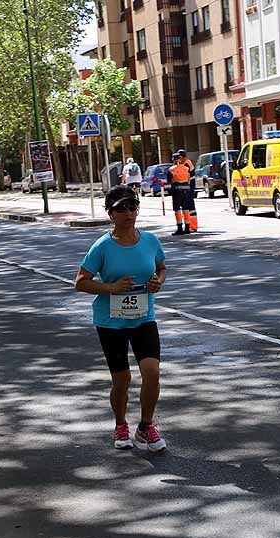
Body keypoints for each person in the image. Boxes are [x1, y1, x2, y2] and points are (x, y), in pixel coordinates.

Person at [75, 185, 168, 452]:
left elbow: (161, 268)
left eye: (132, 207)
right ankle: (120, 424)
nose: (129, 213)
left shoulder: (150, 240)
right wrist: (111, 288)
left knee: (152, 372)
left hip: (143, 317)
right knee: (122, 379)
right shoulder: (103, 246)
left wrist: (157, 282)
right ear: (110, 214)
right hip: (110, 321)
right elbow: (81, 282)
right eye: (121, 209)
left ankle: (145, 427)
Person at [168, 150, 197, 235]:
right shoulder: (186, 168)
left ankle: (180, 228)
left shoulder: (171, 169)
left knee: (177, 210)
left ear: (173, 159)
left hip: (176, 191)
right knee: (186, 209)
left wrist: (169, 191)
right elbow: (188, 178)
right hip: (186, 190)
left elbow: (169, 182)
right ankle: (187, 227)